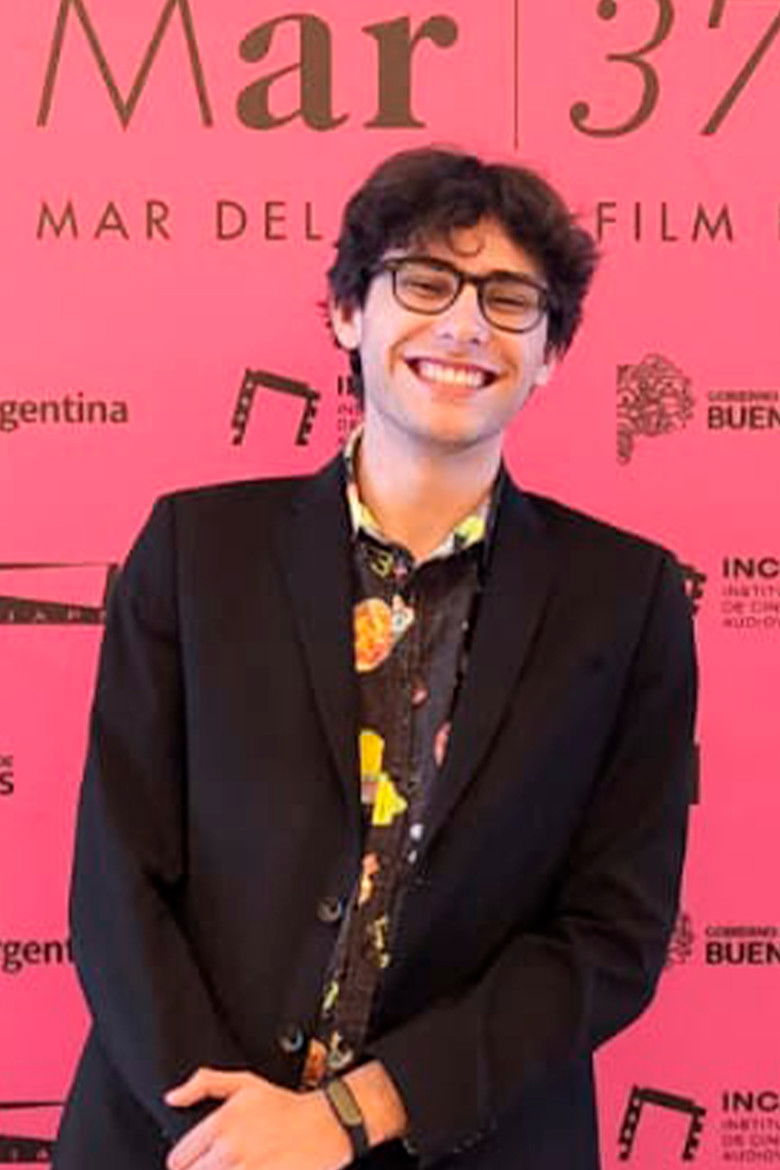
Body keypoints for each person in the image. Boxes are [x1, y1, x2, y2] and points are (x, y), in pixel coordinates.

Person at [54, 146, 697, 1170]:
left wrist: (350, 1117)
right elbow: (116, 879)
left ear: (550, 353)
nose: (465, 325)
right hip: (176, 1139)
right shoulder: (194, 553)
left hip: (465, 1145)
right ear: (350, 313)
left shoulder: (626, 600)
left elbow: (610, 936)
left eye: (508, 299)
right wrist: (230, 1141)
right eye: (425, 281)